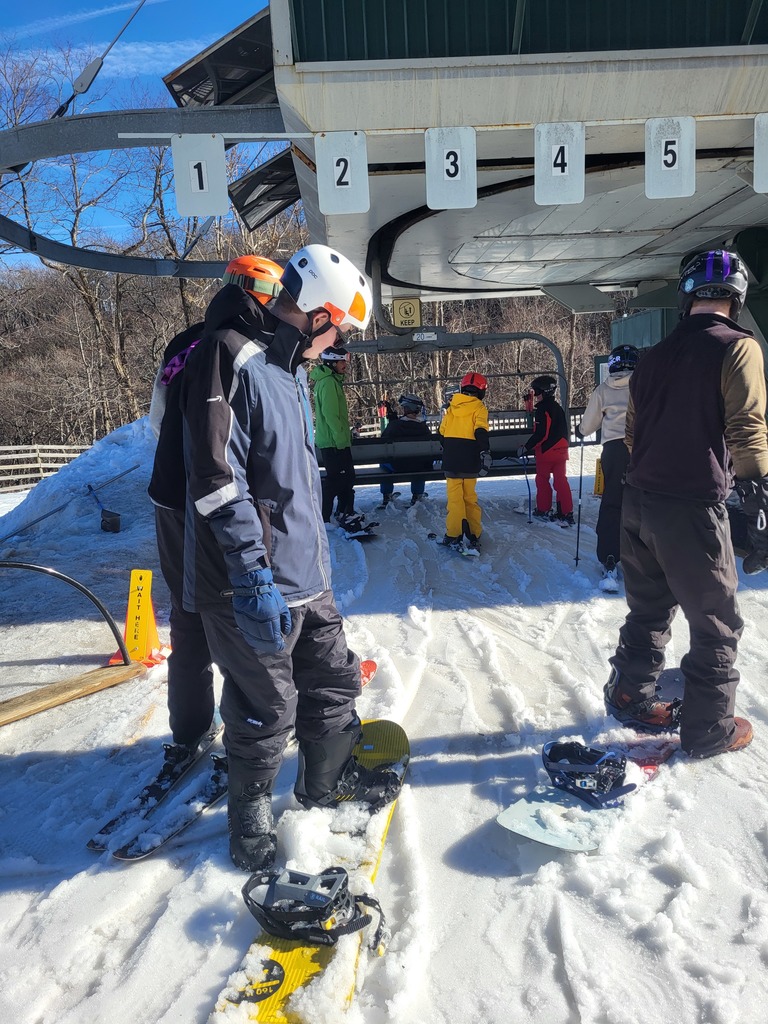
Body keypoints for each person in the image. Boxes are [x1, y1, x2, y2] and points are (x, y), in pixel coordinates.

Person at [179, 243, 402, 872]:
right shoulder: (231, 357)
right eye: (338, 331)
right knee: (265, 704)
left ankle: (322, 786)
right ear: (315, 314)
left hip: (307, 579)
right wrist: (252, 573)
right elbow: (218, 480)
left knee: (332, 681)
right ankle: (248, 813)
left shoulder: (291, 372)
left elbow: (291, 486)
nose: (337, 345)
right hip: (245, 583)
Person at [604, 248, 768, 759]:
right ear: (736, 300)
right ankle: (709, 730)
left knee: (649, 609)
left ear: (687, 296)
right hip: (691, 506)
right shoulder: (738, 348)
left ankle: (631, 693)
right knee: (716, 622)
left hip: (639, 499)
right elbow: (747, 428)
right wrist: (759, 495)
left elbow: (632, 432)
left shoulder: (652, 356)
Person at [147, 255, 283, 765]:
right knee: (233, 612)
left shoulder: (183, 343)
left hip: (170, 495)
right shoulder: (251, 348)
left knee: (187, 616)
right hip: (223, 498)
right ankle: (249, 726)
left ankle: (188, 730)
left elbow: (159, 419)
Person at [577, 345, 639, 581]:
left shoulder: (603, 390)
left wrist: (581, 431)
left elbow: (589, 424)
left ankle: (610, 554)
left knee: (613, 501)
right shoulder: (643, 385)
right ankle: (647, 554)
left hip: (614, 449)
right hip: (642, 448)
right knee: (642, 499)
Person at [438, 372, 492, 551]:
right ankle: (473, 533)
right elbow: (480, 431)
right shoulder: (479, 408)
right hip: (470, 459)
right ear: (481, 391)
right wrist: (484, 451)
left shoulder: (452, 407)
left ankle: (453, 534)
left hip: (452, 460)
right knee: (469, 498)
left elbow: (442, 433)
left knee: (455, 499)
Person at [308, 344, 361, 529]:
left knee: (345, 478)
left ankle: (344, 511)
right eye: (341, 361)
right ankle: (326, 515)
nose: (345, 365)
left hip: (335, 440)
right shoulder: (328, 383)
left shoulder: (331, 381)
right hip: (333, 442)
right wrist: (341, 440)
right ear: (332, 363)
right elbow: (330, 414)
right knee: (337, 480)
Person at [517, 375, 574, 526]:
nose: (535, 396)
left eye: (536, 392)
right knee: (561, 481)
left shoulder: (543, 410)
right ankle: (566, 511)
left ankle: (543, 508)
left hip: (547, 451)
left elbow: (542, 433)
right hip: (561, 449)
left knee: (542, 479)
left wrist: (527, 447)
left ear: (544, 392)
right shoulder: (557, 408)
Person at [378, 393, 433, 507]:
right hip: (419, 467)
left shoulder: (395, 427)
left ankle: (387, 494)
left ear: (405, 408)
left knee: (384, 463)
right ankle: (417, 494)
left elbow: (383, 442)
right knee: (419, 462)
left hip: (397, 466)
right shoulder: (423, 428)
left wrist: (393, 420)